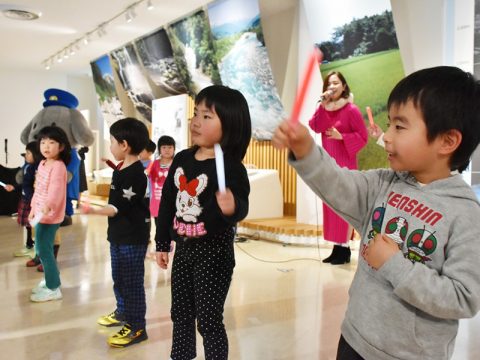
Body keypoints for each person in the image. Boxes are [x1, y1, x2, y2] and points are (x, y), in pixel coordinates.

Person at [272, 66, 480, 360]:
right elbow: (337, 184)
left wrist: (394, 264)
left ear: (447, 141)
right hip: (354, 338)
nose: (387, 137)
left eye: (400, 126)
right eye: (389, 124)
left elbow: (463, 297)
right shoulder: (384, 183)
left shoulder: (465, 213)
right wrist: (306, 148)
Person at [155, 85, 251, 360]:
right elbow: (167, 203)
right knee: (180, 314)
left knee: (208, 321)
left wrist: (233, 208)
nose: (195, 121)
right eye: (196, 113)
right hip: (184, 251)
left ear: (229, 125)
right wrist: (162, 241)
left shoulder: (231, 166)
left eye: (207, 116)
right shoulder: (183, 159)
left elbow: (241, 205)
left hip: (215, 255)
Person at [82, 117, 150, 348]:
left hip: (133, 238)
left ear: (124, 145)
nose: (110, 146)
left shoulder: (136, 175)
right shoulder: (123, 167)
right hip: (119, 236)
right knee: (119, 278)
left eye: (112, 141)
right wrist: (111, 164)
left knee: (132, 282)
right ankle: (123, 312)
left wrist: (91, 209)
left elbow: (117, 207)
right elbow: (121, 186)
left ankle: (136, 326)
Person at [308, 71, 368, 264]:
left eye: (336, 83)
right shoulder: (326, 108)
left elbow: (363, 137)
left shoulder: (351, 110)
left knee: (343, 205)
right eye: (329, 83)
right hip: (329, 165)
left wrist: (342, 137)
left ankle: (344, 250)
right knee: (331, 206)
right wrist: (323, 105)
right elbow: (314, 126)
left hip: (345, 165)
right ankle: (337, 248)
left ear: (343, 86)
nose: (332, 86)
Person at [28, 126, 70, 302]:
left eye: (52, 142)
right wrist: (32, 208)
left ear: (61, 147)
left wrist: (48, 205)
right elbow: (38, 188)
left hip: (50, 215)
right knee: (40, 248)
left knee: (45, 250)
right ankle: (52, 279)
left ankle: (53, 288)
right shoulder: (43, 163)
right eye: (43, 142)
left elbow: (56, 190)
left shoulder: (59, 166)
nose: (46, 146)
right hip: (39, 214)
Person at [4, 142, 42, 257]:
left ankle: (36, 248)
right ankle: (29, 244)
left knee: (34, 224)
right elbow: (24, 183)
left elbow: (35, 186)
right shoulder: (27, 166)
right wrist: (14, 187)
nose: (26, 155)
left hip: (33, 201)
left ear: (35, 154)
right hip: (25, 199)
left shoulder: (37, 168)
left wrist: (33, 201)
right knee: (27, 224)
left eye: (28, 153)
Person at [147, 135, 175, 258]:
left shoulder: (177, 163)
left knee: (172, 225)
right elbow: (146, 174)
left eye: (170, 147)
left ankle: (171, 243)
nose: (167, 150)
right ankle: (161, 247)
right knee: (160, 226)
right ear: (159, 149)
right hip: (157, 203)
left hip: (174, 203)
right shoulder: (154, 164)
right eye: (164, 147)